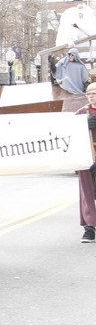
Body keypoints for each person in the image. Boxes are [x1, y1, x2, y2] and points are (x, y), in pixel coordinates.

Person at [76, 82, 96, 242]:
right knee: (86, 192)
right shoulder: (81, 113)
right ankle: (89, 228)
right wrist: (83, 126)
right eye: (89, 95)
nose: (92, 97)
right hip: (86, 157)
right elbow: (71, 135)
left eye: (94, 94)